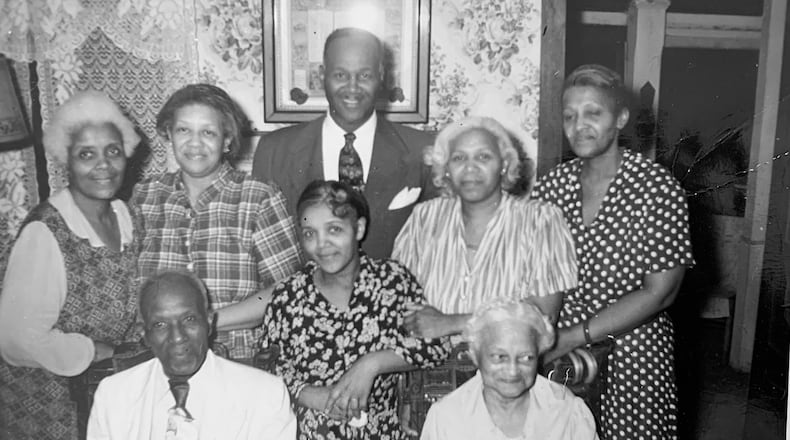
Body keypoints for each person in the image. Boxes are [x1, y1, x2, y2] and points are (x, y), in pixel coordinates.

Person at [532, 64, 694, 439]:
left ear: (620, 118)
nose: (579, 125)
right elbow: (544, 276)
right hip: (563, 357)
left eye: (593, 113)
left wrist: (573, 335)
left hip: (633, 356)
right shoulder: (551, 186)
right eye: (570, 116)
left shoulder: (657, 188)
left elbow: (660, 292)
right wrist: (542, 335)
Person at [0, 91, 141, 439]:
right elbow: (15, 339)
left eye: (112, 151)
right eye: (86, 154)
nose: (103, 165)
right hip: (50, 412)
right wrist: (91, 351)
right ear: (66, 159)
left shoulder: (125, 216)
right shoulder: (45, 232)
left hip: (103, 398)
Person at [260, 180, 450, 439]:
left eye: (334, 229)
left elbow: (436, 345)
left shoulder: (391, 281)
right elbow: (268, 367)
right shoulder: (288, 296)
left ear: (358, 228)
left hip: (382, 432)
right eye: (310, 234)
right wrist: (307, 394)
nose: (322, 244)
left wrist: (372, 364)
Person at [130, 84, 302, 360]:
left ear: (227, 140)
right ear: (168, 135)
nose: (194, 143)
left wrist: (206, 322)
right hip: (158, 360)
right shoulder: (146, 196)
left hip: (235, 359)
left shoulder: (258, 197)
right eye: (183, 130)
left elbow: (286, 291)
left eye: (208, 132)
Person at [252, 27, 435, 259]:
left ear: (381, 75)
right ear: (322, 75)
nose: (352, 87)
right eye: (340, 75)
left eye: (364, 75)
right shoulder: (273, 151)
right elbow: (266, 251)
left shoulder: (422, 149)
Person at [392, 116, 578, 338]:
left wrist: (453, 323)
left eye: (483, 157)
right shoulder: (425, 217)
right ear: (446, 168)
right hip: (430, 356)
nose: (470, 168)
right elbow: (398, 296)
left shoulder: (540, 220)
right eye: (459, 158)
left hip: (507, 357)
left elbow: (543, 315)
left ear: (504, 165)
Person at [87, 270, 296, 439]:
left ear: (209, 323)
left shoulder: (264, 395)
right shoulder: (114, 396)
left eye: (189, 320)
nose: (178, 337)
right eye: (160, 325)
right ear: (144, 334)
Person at [420, 299, 598, 440]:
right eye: (499, 357)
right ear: (476, 356)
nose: (513, 371)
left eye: (526, 358)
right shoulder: (446, 417)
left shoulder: (567, 410)